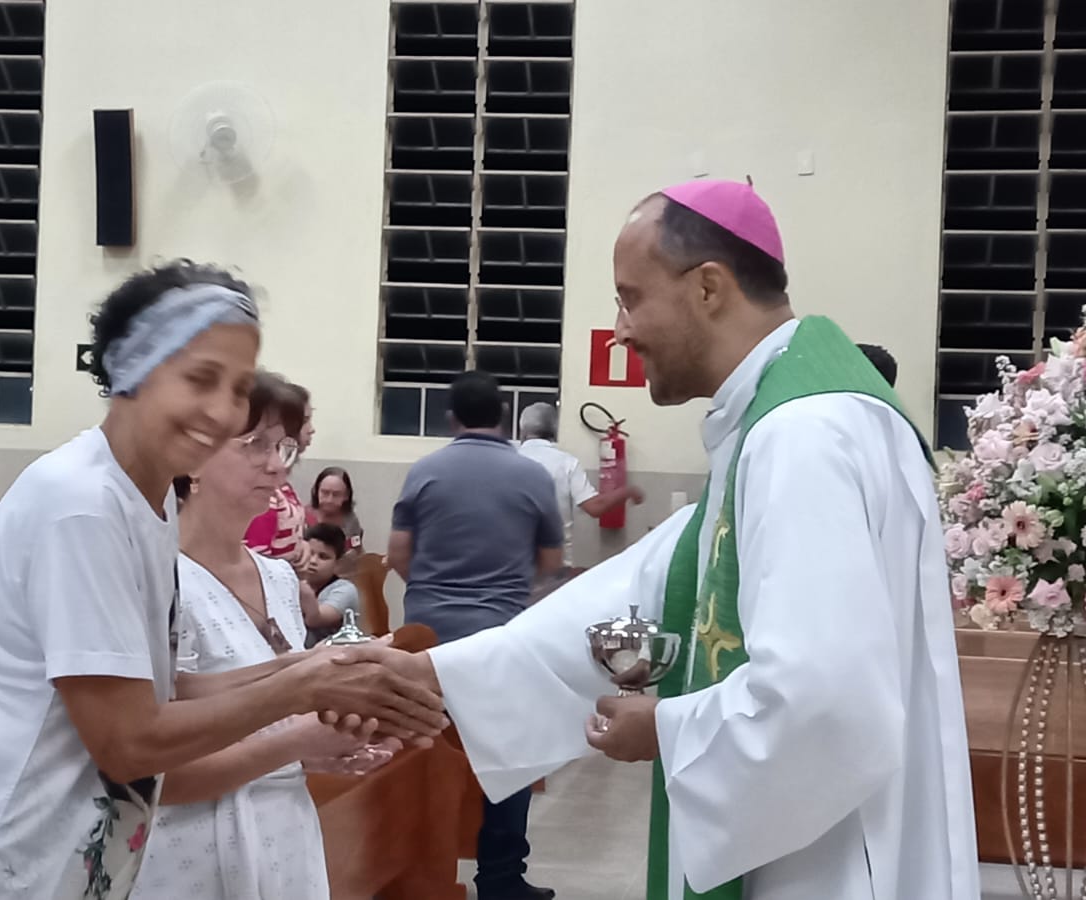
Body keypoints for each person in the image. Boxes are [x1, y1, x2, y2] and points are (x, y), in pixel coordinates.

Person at [341, 180, 979, 900]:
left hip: (825, 861)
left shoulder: (801, 434)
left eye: (630, 296)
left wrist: (668, 729)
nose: (618, 329)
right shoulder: (790, 423)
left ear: (708, 287)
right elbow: (645, 586)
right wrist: (434, 677)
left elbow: (824, 699)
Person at [0, 261, 446, 900]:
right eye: (200, 379)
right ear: (131, 366)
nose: (223, 411)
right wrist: (305, 685)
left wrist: (320, 669)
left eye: (239, 387)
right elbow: (129, 742)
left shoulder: (149, 498)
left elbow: (156, 689)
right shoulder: (81, 503)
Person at [130, 374, 394, 900]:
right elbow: (154, 774)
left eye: (285, 447)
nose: (277, 464)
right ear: (193, 459)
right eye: (255, 445)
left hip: (283, 832)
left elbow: (266, 722)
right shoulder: (160, 578)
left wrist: (321, 750)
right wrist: (297, 742)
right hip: (191, 848)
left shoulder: (278, 578)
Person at [385, 369, 564, 900]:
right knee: (510, 752)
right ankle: (502, 879)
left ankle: (414, 868)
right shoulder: (533, 477)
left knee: (418, 750)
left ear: (450, 419)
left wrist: (434, 590)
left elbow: (397, 554)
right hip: (500, 637)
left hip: (426, 638)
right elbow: (551, 562)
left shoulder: (425, 471)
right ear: (504, 417)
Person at [516, 401, 643, 569]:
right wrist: (627, 491)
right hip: (555, 566)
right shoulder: (566, 463)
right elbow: (594, 507)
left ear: (522, 431)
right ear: (555, 430)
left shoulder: (507, 460)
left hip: (512, 564)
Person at [244, 381, 312, 565]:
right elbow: (258, 560)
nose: (311, 429)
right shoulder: (259, 495)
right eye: (257, 444)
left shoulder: (280, 487)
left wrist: (298, 547)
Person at [298, 523, 362, 647]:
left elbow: (315, 619)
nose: (313, 561)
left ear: (337, 563)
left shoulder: (345, 589)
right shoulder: (294, 583)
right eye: (310, 553)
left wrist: (299, 585)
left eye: (323, 557)